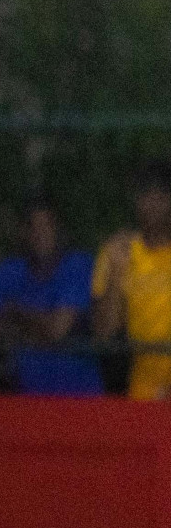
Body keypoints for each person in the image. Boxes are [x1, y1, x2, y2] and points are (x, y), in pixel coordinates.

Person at [0, 203, 101, 396]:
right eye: (33, 227)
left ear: (59, 231)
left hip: (77, 397)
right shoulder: (9, 270)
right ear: (23, 232)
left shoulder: (78, 265)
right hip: (23, 398)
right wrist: (29, 330)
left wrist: (15, 313)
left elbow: (57, 330)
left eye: (47, 226)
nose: (40, 234)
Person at [93, 162, 171, 400]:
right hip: (136, 397)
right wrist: (117, 274)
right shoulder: (118, 250)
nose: (149, 205)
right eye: (144, 196)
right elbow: (104, 333)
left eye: (158, 197)